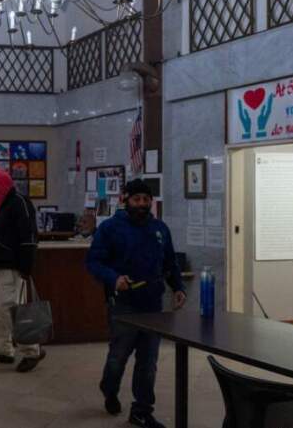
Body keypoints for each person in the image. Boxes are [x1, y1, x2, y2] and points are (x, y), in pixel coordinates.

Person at [86, 179, 187, 428]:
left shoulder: (160, 229)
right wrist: (114, 278)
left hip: (153, 306)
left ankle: (141, 410)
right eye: (136, 199)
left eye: (146, 200)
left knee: (148, 362)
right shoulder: (110, 228)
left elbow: (170, 263)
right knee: (118, 357)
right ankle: (109, 389)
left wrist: (178, 287)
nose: (141, 205)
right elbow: (93, 262)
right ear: (125, 200)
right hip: (123, 305)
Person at [0, 169, 43, 373]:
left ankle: (32, 351)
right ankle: (2, 350)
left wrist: (26, 267)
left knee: (11, 310)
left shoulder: (19, 203)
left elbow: (29, 238)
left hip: (13, 268)